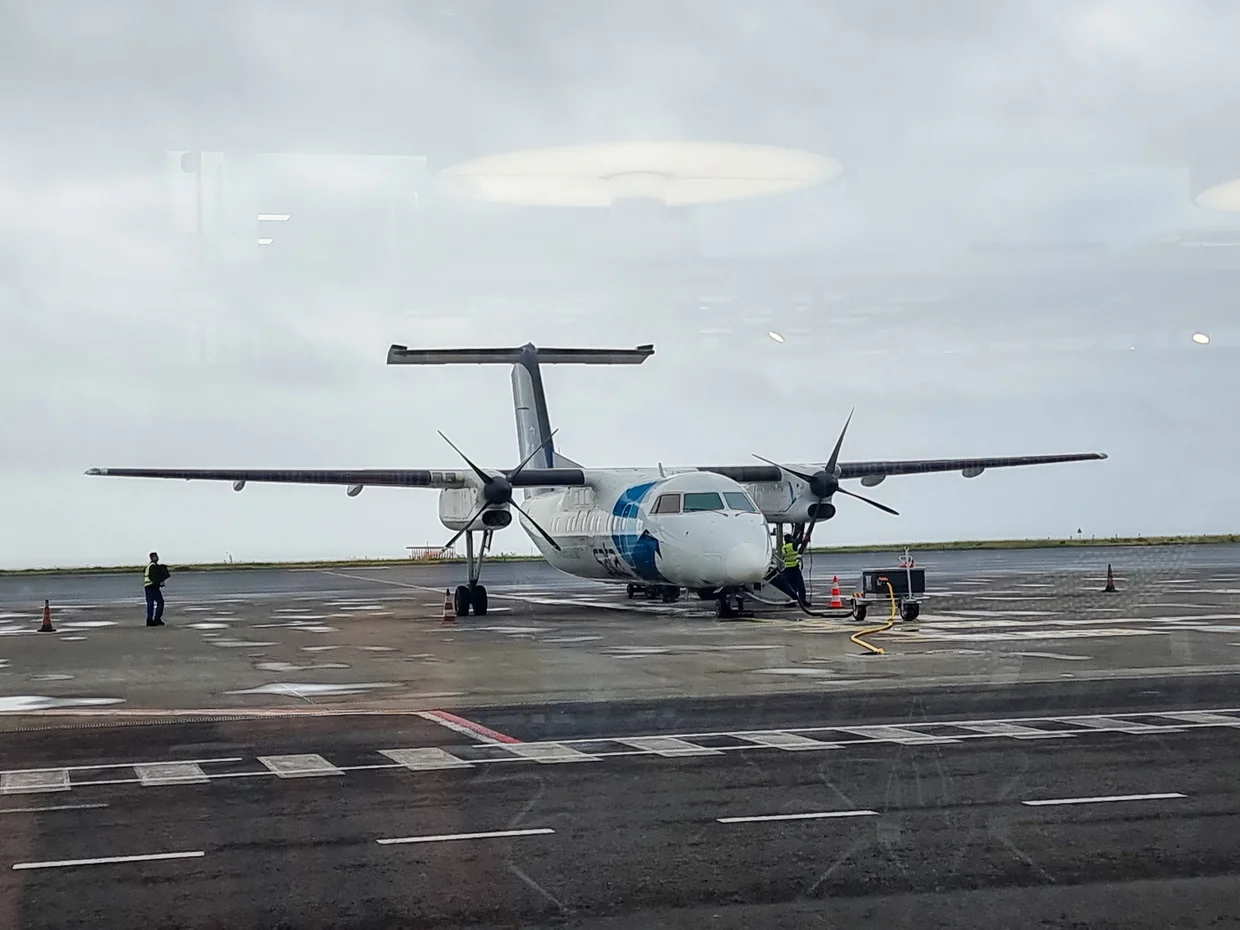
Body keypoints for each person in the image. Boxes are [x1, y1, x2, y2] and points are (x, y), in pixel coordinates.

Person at [144, 551, 171, 626]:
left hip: (149, 587)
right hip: (151, 587)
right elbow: (153, 577)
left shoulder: (152, 566)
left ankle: (151, 620)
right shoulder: (152, 566)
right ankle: (156, 619)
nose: (157, 557)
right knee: (159, 602)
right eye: (155, 556)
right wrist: (160, 582)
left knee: (151, 603)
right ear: (152, 558)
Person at [781, 534, 807, 605]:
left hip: (787, 569)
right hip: (794, 568)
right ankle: (802, 601)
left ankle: (790, 602)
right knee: (800, 586)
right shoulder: (792, 546)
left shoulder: (784, 547)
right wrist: (801, 530)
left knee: (791, 587)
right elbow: (799, 540)